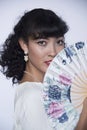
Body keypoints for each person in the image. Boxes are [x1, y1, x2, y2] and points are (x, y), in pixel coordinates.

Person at [0, 8, 87, 130]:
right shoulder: (34, 96)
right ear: (24, 44)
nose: (53, 52)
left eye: (59, 42)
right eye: (42, 42)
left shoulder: (44, 91)